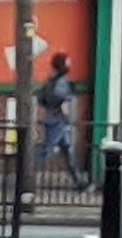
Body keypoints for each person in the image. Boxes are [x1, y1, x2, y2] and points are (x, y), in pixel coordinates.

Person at [36, 52, 87, 191]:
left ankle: (79, 182)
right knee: (45, 151)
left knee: (68, 152)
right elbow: (61, 98)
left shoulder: (52, 80)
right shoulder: (61, 82)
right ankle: (25, 173)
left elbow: (42, 98)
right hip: (57, 122)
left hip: (58, 122)